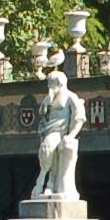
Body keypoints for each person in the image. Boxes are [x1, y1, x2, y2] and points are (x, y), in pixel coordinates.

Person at [30, 68, 85, 202]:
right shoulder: (49, 97)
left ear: (59, 83)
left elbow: (79, 118)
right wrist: (47, 101)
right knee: (47, 152)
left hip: (60, 131)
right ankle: (49, 183)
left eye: (50, 82)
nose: (48, 85)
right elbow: (42, 114)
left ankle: (42, 180)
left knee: (48, 148)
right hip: (47, 130)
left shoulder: (70, 96)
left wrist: (71, 135)